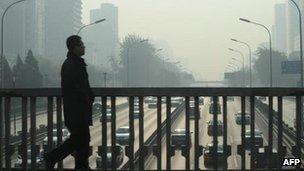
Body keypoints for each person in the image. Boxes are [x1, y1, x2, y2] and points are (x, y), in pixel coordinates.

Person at [45, 35, 94, 171]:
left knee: (82, 141)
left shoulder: (76, 63)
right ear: (74, 48)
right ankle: (52, 157)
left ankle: (81, 166)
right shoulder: (71, 65)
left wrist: (89, 96)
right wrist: (86, 98)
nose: (84, 46)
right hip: (76, 111)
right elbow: (73, 89)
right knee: (79, 140)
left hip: (79, 111)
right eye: (81, 44)